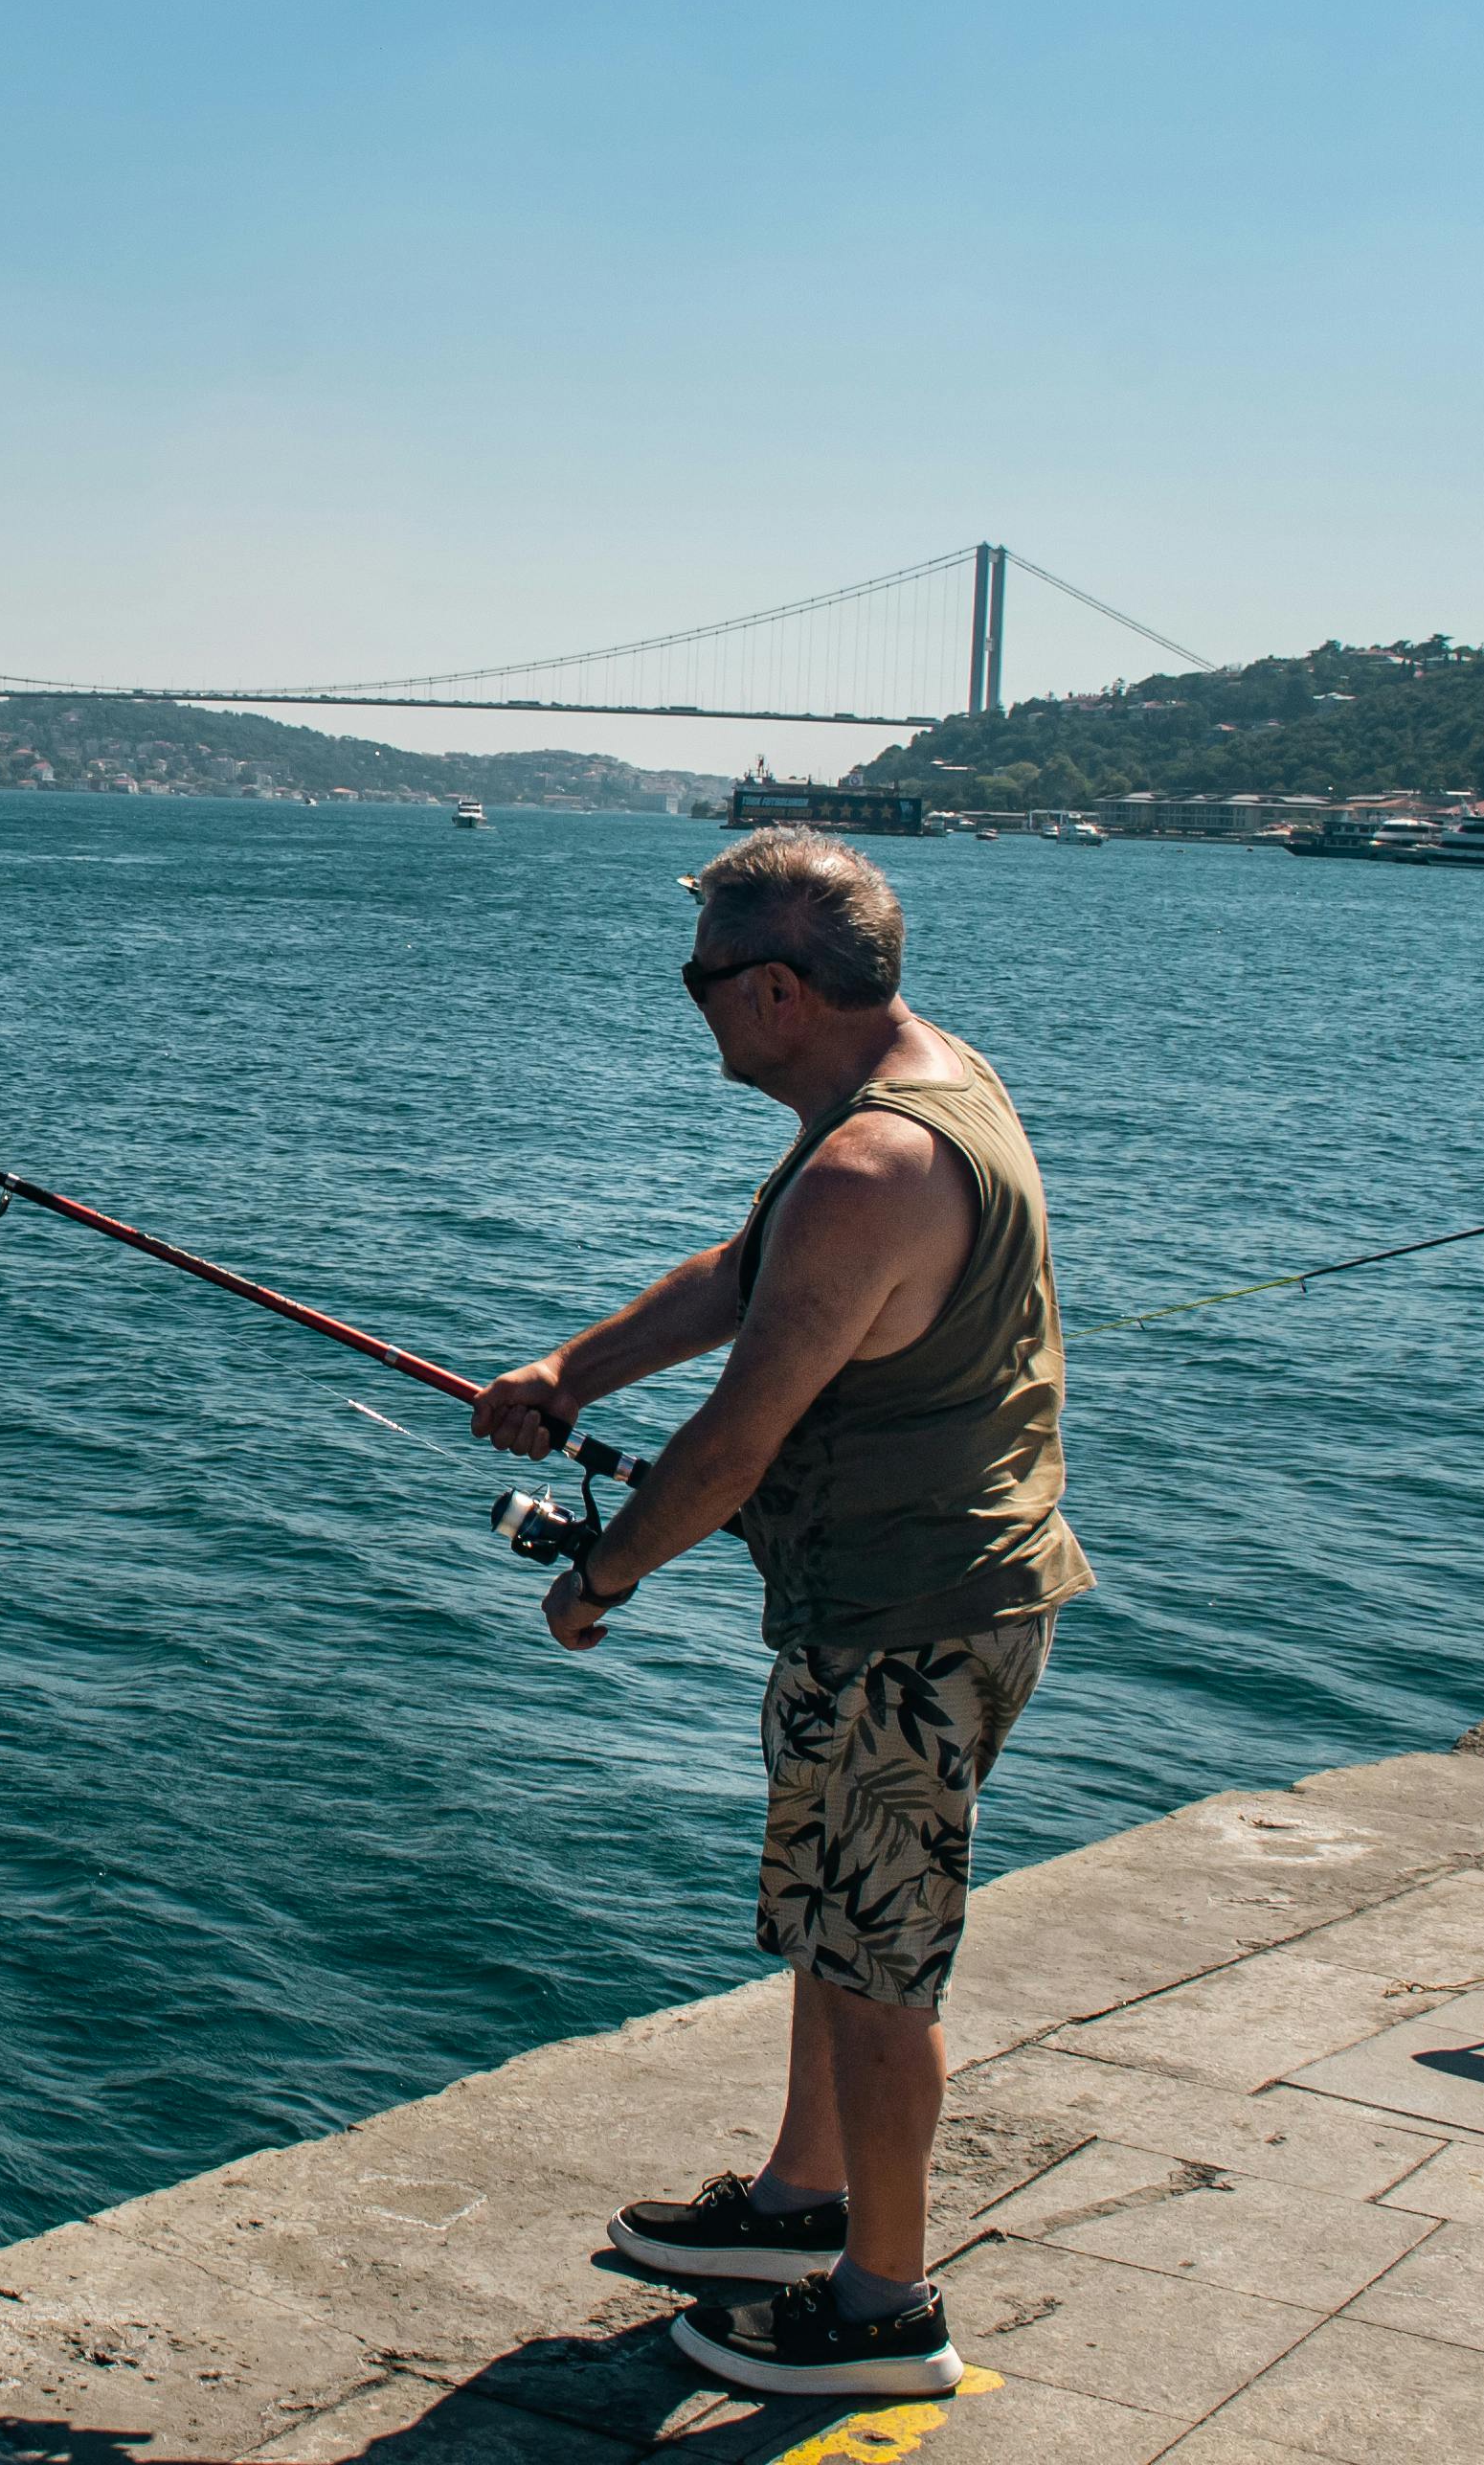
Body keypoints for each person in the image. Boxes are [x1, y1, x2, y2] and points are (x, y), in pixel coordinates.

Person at [473, 826, 1091, 2401]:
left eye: (698, 982)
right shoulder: (917, 1088)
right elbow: (747, 1276)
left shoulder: (872, 1163)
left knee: (884, 1966)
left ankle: (885, 2305)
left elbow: (737, 1438)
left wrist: (598, 1580)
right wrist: (568, 1374)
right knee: (835, 1916)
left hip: (910, 1617)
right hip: (898, 1602)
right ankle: (802, 2201)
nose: (688, 1008)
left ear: (769, 987)